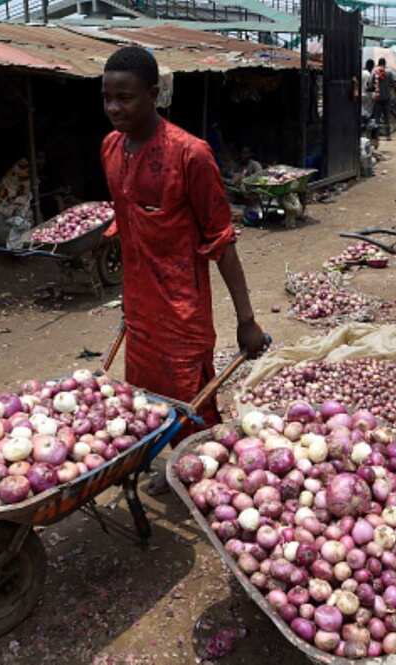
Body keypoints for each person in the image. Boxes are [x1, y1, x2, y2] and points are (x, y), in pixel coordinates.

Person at [100, 47, 268, 491]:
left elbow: (222, 243)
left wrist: (246, 321)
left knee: (192, 402)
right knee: (143, 401)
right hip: (139, 309)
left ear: (153, 95)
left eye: (126, 97)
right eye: (107, 98)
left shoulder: (190, 155)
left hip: (182, 311)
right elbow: (129, 223)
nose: (115, 108)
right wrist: (129, 300)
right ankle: (167, 465)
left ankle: (209, 479)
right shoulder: (110, 148)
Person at [371, 58, 393, 140]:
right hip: (387, 98)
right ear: (385, 63)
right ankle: (388, 136)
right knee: (387, 117)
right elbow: (393, 84)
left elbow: (371, 84)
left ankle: (376, 136)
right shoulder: (389, 73)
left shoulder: (375, 72)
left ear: (378, 63)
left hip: (377, 98)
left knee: (377, 118)